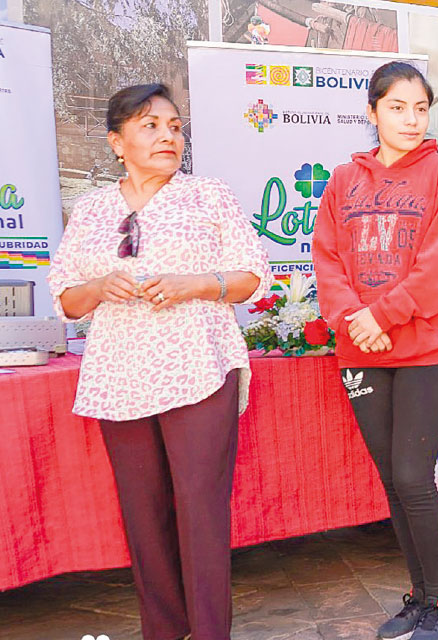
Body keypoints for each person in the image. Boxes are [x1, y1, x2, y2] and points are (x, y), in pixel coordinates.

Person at [46, 83, 270, 640]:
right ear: (116, 142)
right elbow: (67, 299)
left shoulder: (207, 195)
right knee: (144, 518)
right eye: (150, 125)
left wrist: (196, 283)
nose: (168, 135)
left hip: (198, 370)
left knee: (200, 511)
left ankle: (210, 632)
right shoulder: (94, 208)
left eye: (173, 125)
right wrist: (100, 284)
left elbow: (250, 276)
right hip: (119, 377)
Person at [312, 61, 438, 640]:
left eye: (420, 108)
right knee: (392, 480)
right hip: (363, 352)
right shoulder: (342, 181)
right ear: (373, 111)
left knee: (411, 474)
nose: (410, 119)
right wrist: (355, 324)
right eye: (397, 107)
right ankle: (420, 595)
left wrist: (377, 317)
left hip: (429, 353)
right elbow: (327, 261)